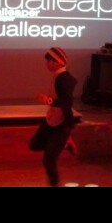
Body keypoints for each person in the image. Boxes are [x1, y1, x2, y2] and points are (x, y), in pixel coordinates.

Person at [29, 47, 77, 187]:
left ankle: (54, 184)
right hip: (51, 120)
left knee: (49, 160)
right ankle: (63, 144)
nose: (46, 64)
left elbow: (67, 103)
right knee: (34, 145)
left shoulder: (63, 79)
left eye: (49, 61)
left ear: (57, 62)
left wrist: (48, 100)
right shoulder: (57, 76)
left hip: (61, 124)